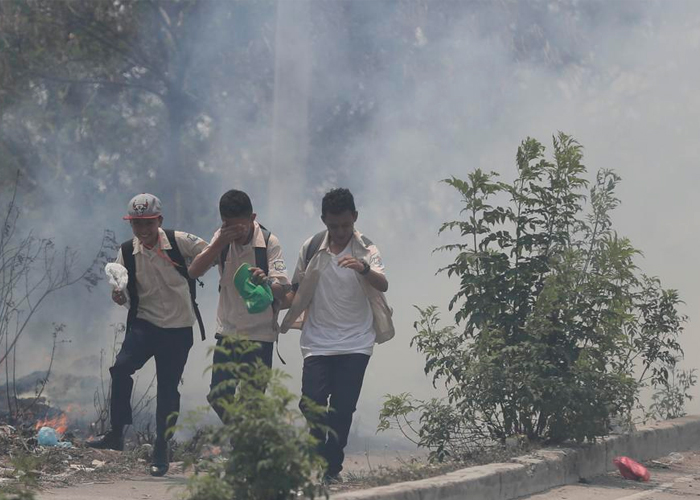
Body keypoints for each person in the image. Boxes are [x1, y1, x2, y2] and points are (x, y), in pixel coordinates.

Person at [88, 193, 207, 478]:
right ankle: (117, 432)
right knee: (120, 369)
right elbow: (121, 288)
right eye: (136, 224)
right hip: (145, 324)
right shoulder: (127, 251)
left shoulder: (180, 241)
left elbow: (210, 253)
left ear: (159, 221)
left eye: (147, 223)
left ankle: (161, 450)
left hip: (178, 329)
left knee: (167, 390)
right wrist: (117, 295)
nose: (142, 230)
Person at [280, 188, 394, 483]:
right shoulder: (312, 247)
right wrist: (273, 295)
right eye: (334, 226)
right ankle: (322, 453)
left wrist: (363, 268)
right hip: (318, 341)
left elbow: (382, 284)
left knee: (343, 409)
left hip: (357, 342)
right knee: (310, 403)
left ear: (355, 218)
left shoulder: (367, 249)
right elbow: (294, 288)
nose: (341, 232)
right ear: (324, 221)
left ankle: (332, 468)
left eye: (346, 225)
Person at [188, 189, 290, 422]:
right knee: (218, 396)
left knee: (252, 401)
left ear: (252, 218)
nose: (234, 231)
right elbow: (194, 271)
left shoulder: (268, 242)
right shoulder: (221, 238)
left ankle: (244, 449)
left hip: (260, 334)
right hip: (229, 331)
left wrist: (265, 280)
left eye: (239, 226)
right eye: (228, 225)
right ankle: (242, 438)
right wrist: (219, 242)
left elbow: (282, 287)